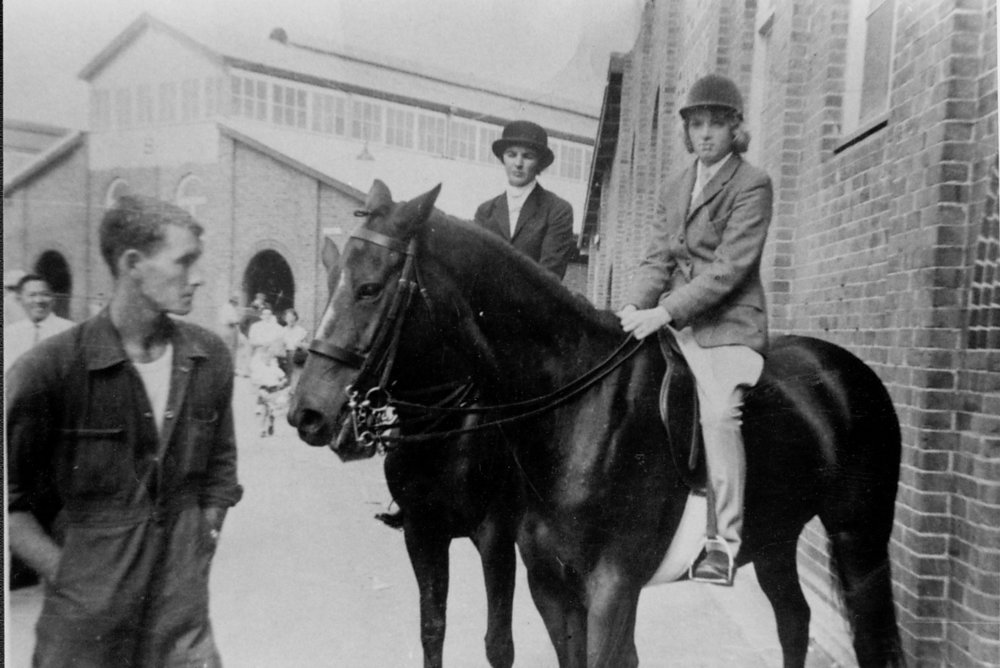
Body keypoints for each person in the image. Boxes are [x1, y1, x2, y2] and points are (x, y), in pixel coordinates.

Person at [6, 194, 243, 666]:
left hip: (183, 622)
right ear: (132, 263)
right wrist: (67, 573)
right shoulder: (49, 369)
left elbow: (221, 469)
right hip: (83, 630)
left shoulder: (209, 357)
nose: (197, 276)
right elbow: (10, 500)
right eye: (184, 262)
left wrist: (202, 537)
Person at [618, 73, 772, 586]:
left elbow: (729, 269)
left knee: (721, 411)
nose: (706, 134)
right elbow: (657, 258)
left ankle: (723, 542)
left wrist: (663, 311)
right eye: (697, 124)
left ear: (736, 129)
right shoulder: (675, 186)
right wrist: (632, 307)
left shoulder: (752, 184)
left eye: (717, 124)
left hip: (726, 325)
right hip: (672, 320)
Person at [474, 120, 576, 280]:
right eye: (511, 155)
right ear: (503, 159)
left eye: (528, 156)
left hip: (535, 303)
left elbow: (550, 275)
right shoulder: (485, 212)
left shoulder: (557, 210)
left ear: (539, 163)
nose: (518, 163)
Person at [4, 274, 75, 368]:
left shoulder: (71, 331)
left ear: (54, 298)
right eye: (32, 295)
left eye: (45, 294)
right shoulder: (10, 333)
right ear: (19, 299)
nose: (39, 300)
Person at [281, 308, 309, 383]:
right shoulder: (282, 331)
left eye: (292, 317)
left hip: (299, 355)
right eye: (288, 317)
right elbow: (280, 346)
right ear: (285, 319)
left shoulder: (301, 330)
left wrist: (301, 345)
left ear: (295, 318)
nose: (290, 320)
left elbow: (306, 345)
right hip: (286, 355)